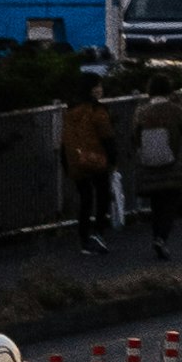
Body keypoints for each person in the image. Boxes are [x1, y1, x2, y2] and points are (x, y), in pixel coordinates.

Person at [63, 81, 115, 248]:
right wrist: (113, 159)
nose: (100, 89)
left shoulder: (70, 112)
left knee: (85, 198)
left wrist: (66, 162)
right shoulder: (98, 111)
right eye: (97, 86)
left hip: (76, 160)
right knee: (102, 195)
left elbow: (65, 139)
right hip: (97, 158)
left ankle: (83, 235)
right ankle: (99, 231)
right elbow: (107, 136)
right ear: (91, 90)